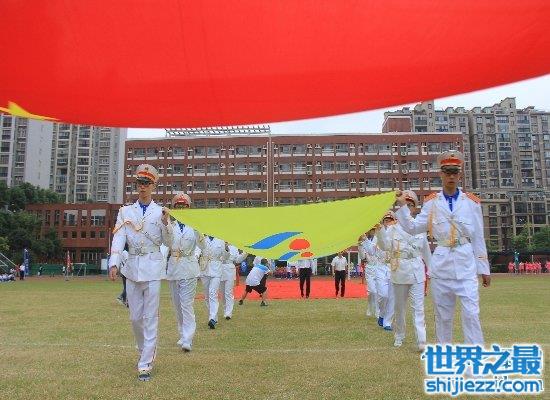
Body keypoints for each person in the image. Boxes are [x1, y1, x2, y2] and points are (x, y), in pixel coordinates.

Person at [395, 150, 491, 345]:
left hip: (466, 266)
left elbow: (478, 237)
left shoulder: (471, 203)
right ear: (441, 174)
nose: (451, 176)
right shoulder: (432, 203)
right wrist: (402, 206)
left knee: (472, 315)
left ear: (460, 174)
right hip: (442, 265)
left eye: (455, 172)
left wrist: (484, 268)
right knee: (443, 317)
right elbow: (413, 228)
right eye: (447, 172)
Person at [108, 164, 172, 382]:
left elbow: (168, 242)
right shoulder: (125, 211)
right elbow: (119, 238)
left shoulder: (161, 211)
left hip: (153, 267)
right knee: (135, 317)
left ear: (154, 185)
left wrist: (166, 225)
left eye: (146, 183)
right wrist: (114, 262)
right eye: (139, 183)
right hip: (132, 267)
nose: (142, 187)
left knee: (150, 317)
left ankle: (145, 363)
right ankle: (143, 349)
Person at [376, 190, 431, 351]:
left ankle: (421, 340)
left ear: (414, 208)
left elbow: (426, 252)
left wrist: (432, 271)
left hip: (416, 271)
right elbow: (385, 246)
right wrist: (379, 229)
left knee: (418, 308)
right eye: (405, 204)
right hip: (399, 271)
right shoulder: (393, 229)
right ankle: (399, 336)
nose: (407, 207)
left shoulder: (419, 228)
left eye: (410, 205)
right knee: (399, 308)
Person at [165, 193, 204, 352]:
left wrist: (198, 230)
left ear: (188, 208)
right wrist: (166, 223)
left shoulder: (194, 225)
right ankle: (182, 334)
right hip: (174, 267)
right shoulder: (170, 225)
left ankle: (188, 338)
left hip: (189, 267)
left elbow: (203, 247)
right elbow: (165, 244)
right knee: (177, 305)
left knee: (186, 304)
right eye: (178, 206)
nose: (181, 208)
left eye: (184, 206)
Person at [199, 235, 229, 329]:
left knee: (213, 293)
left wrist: (226, 249)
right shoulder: (202, 238)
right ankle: (214, 317)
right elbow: (198, 250)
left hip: (216, 269)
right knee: (207, 296)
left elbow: (225, 257)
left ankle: (211, 318)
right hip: (204, 268)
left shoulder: (220, 240)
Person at [374, 212, 396, 331]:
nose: (388, 222)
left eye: (390, 220)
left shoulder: (396, 233)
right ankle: (382, 314)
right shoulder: (378, 235)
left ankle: (387, 322)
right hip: (381, 267)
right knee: (383, 295)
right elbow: (371, 250)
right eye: (386, 220)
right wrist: (365, 242)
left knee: (392, 297)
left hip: (393, 267)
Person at [220, 244, 248, 320]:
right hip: (219, 268)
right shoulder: (219, 243)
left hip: (230, 268)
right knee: (222, 293)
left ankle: (228, 312)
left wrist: (245, 253)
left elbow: (237, 259)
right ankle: (225, 309)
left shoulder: (234, 246)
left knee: (228, 292)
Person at [359, 229, 382, 319]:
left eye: (373, 230)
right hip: (369, 268)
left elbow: (376, 250)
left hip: (379, 268)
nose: (372, 231)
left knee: (378, 291)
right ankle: (369, 306)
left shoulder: (378, 239)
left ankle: (377, 310)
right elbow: (362, 256)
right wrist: (360, 246)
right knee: (371, 291)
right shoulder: (363, 241)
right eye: (370, 230)